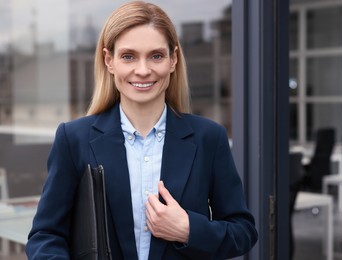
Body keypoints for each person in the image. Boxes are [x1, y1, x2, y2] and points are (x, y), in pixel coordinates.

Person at [26, 1, 258, 259]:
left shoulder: (209, 138)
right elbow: (46, 236)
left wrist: (188, 229)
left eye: (156, 56)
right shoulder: (74, 139)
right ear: (109, 61)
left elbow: (243, 232)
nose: (143, 70)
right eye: (128, 56)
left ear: (173, 60)